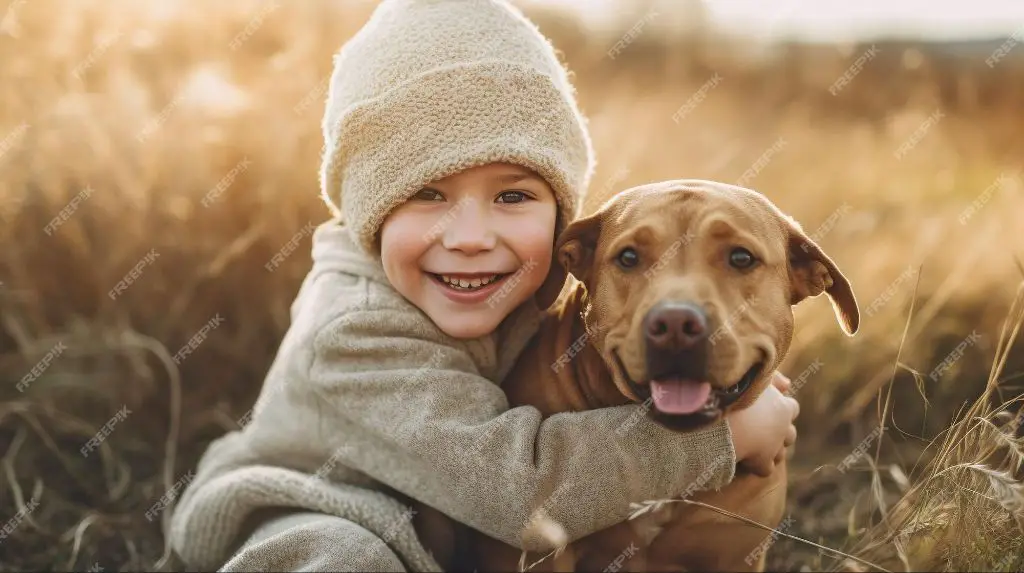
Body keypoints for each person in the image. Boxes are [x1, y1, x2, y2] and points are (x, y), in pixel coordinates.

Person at [168, 0, 800, 571]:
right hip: (305, 508)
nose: (470, 234)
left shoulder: (520, 287)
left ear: (561, 220)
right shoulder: (354, 330)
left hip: (443, 532)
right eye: (426, 194)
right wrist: (724, 438)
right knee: (346, 559)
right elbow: (513, 489)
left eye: (513, 195)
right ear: (369, 213)